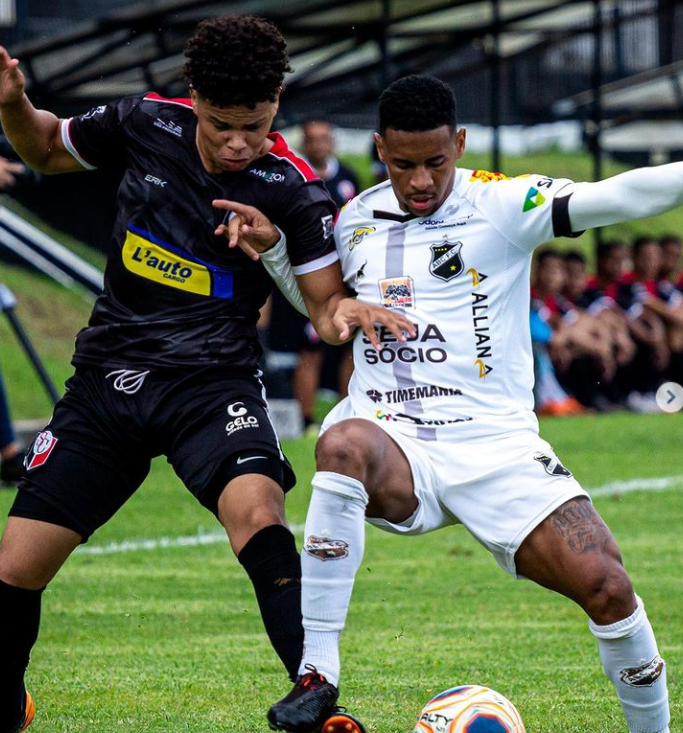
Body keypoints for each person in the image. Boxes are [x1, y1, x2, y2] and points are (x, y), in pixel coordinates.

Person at [0, 17, 413, 733]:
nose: (235, 143)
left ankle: (316, 701)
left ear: (276, 104)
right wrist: (10, 99)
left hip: (211, 385)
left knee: (257, 514)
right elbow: (42, 145)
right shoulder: (141, 123)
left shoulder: (293, 189)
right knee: (17, 565)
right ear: (193, 97)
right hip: (108, 379)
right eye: (220, 124)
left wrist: (310, 270)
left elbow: (323, 312)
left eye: (253, 126)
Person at [267, 75, 671, 733]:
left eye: (434, 162)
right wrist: (275, 253)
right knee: (339, 445)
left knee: (607, 585)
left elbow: (616, 195)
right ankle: (317, 672)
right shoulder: (353, 219)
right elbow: (320, 305)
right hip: (394, 434)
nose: (420, 180)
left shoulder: (503, 203)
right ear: (378, 150)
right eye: (402, 165)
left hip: (495, 445)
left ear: (458, 143)